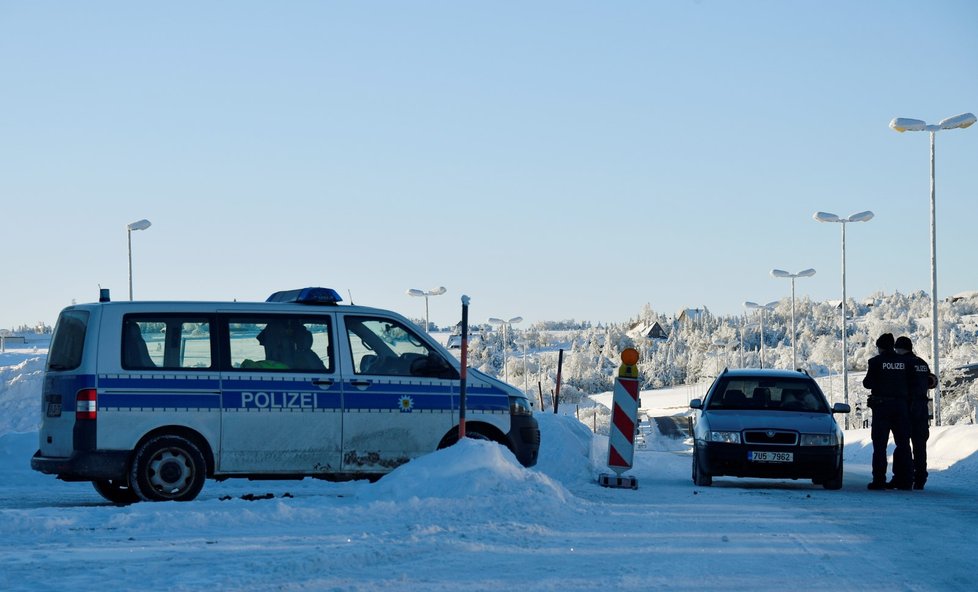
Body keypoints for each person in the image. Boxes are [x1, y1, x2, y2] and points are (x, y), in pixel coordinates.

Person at [862, 333, 915, 490]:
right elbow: (912, 383)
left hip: (882, 408)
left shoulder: (875, 362)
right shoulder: (904, 362)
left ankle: (879, 480)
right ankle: (905, 480)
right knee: (903, 444)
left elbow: (867, 383)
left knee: (880, 446)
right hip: (901, 407)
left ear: (880, 347)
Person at [894, 335, 936, 490]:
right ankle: (920, 478)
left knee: (903, 445)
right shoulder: (922, 363)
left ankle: (903, 476)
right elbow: (931, 381)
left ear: (898, 349)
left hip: (906, 408)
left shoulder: (902, 363)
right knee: (920, 446)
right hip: (922, 409)